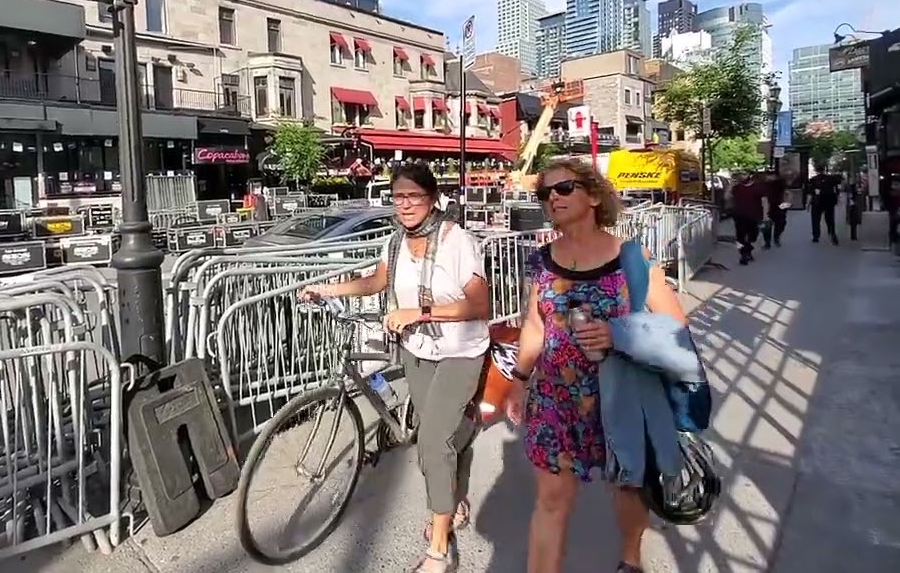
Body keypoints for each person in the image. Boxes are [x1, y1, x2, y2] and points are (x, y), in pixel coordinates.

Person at [300, 163, 489, 572]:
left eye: (414, 196)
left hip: (459, 351)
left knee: (432, 445)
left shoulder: (456, 241)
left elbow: (479, 305)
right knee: (434, 435)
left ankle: (438, 550)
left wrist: (419, 313)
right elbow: (375, 282)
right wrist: (325, 288)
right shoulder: (395, 241)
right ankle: (454, 490)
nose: (405, 204)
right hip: (417, 350)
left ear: (432, 198)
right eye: (398, 196)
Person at [503, 158, 688, 573]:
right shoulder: (541, 261)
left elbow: (676, 326)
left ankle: (630, 558)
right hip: (555, 397)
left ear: (592, 196)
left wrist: (617, 334)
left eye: (564, 188)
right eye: (545, 193)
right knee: (550, 499)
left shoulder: (631, 257)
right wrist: (519, 378)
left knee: (627, 489)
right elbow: (535, 325)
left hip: (619, 396)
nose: (553, 198)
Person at [728, 171, 765, 265]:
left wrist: (765, 215)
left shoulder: (758, 187)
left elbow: (764, 201)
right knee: (740, 236)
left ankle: (748, 249)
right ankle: (743, 254)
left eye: (744, 174)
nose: (742, 176)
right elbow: (726, 197)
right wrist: (730, 186)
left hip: (754, 215)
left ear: (749, 175)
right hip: (739, 215)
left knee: (753, 235)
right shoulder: (736, 188)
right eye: (741, 174)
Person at [806, 167, 840, 245]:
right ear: (824, 170)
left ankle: (816, 236)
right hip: (829, 201)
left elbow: (810, 193)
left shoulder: (813, 180)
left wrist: (808, 204)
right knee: (830, 219)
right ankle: (832, 234)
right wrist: (836, 198)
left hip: (817, 201)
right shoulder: (831, 179)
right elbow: (836, 189)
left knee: (815, 219)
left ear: (816, 171)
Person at [761, 171, 787, 249]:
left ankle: (776, 237)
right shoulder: (763, 185)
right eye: (768, 176)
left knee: (780, 223)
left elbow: (786, 193)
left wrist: (786, 204)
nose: (770, 178)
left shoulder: (780, 183)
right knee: (767, 225)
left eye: (772, 176)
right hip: (768, 206)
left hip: (779, 205)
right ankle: (767, 242)